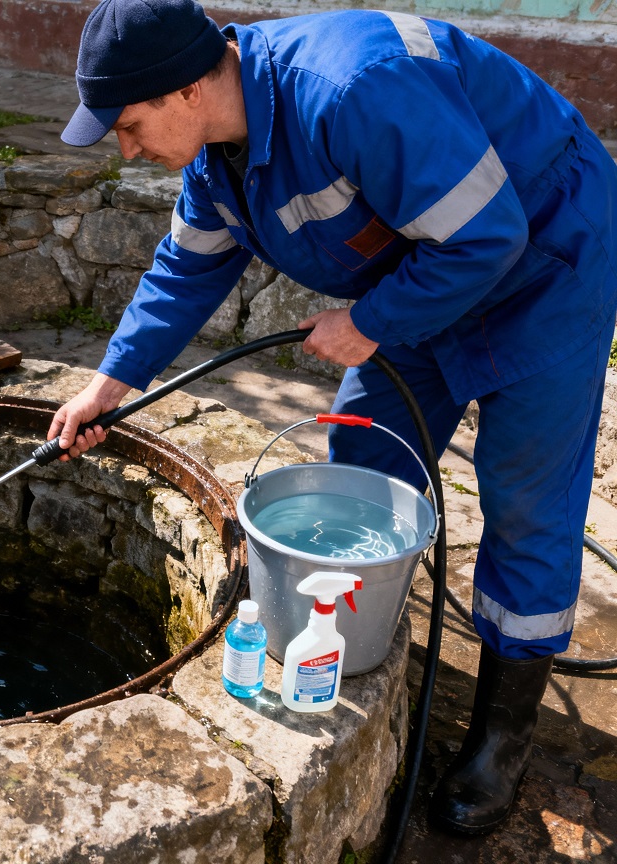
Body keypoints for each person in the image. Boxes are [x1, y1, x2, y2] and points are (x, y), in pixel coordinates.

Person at [48, 0, 617, 837]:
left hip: (544, 260)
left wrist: (369, 322)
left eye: (129, 125)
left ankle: (503, 735)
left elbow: (489, 234)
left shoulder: (353, 89)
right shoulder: (220, 158)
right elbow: (184, 272)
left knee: (526, 500)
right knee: (357, 466)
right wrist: (112, 382)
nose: (127, 149)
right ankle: (349, 643)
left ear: (185, 90)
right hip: (428, 271)